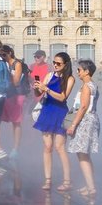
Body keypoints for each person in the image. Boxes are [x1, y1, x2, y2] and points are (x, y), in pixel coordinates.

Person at [33, 51, 75, 192]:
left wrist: (47, 89)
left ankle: (67, 181)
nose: (55, 65)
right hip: (47, 111)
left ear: (65, 64)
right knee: (47, 147)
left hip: (60, 112)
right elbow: (40, 94)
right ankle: (48, 180)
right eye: (54, 63)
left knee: (60, 147)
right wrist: (37, 89)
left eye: (58, 63)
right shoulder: (49, 75)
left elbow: (63, 97)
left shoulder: (69, 79)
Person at [66, 60, 100, 197]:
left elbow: (84, 107)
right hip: (91, 119)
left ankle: (91, 188)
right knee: (85, 154)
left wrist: (73, 125)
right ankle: (89, 185)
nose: (77, 72)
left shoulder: (87, 86)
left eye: (79, 70)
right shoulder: (92, 85)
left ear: (87, 71)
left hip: (85, 121)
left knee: (82, 154)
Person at [0, 45, 27, 159]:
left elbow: (16, 81)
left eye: (4, 54)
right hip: (8, 94)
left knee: (16, 122)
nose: (3, 57)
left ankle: (15, 149)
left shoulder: (17, 64)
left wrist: (5, 77)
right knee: (1, 120)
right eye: (1, 55)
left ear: (10, 53)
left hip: (17, 95)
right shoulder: (4, 63)